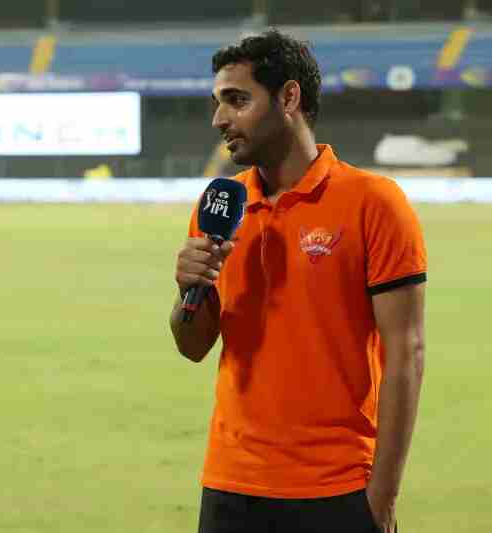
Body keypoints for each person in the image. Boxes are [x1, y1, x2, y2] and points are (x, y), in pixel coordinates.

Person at [170, 30, 426, 533]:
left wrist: (382, 496)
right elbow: (193, 346)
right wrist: (188, 291)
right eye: (217, 102)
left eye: (237, 100)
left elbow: (407, 353)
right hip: (231, 485)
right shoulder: (220, 205)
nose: (219, 118)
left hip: (338, 487)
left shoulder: (374, 202)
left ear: (289, 97)